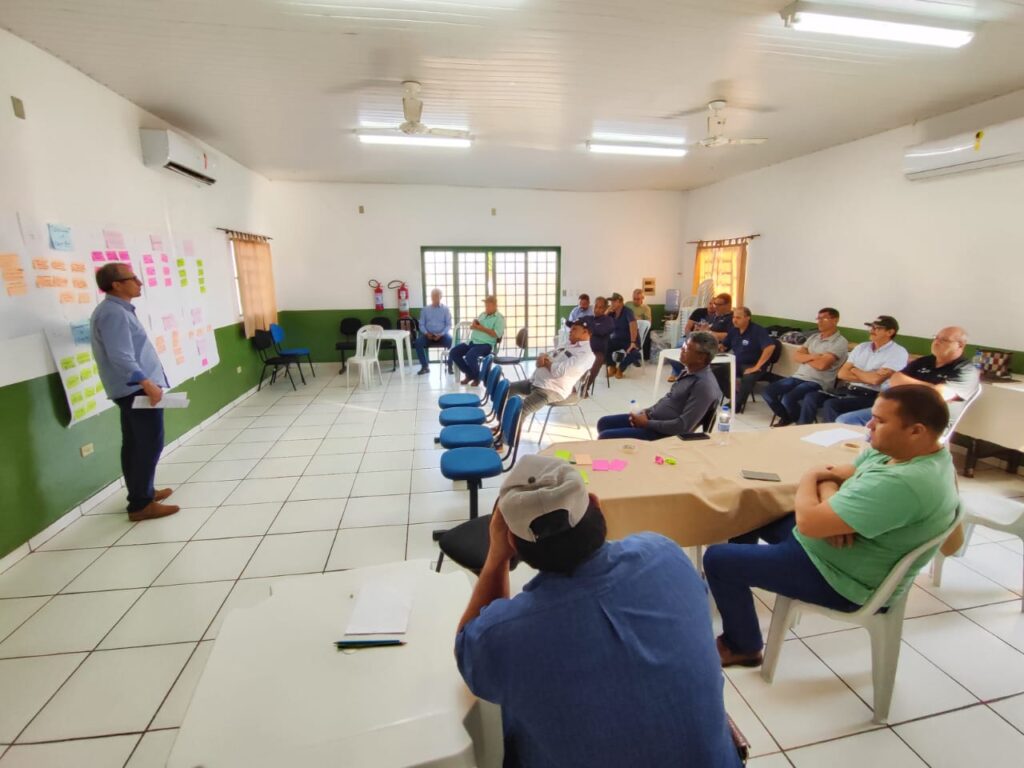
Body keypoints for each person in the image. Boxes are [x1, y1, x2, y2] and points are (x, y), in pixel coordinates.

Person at [455, 455, 742, 768]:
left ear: (512, 540)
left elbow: (469, 650)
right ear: (596, 504)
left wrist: (497, 557)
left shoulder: (502, 636)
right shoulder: (665, 553)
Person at [703, 385, 958, 668]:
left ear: (916, 431)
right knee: (751, 513)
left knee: (718, 559)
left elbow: (810, 522)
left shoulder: (906, 482)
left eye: (881, 421)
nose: (869, 425)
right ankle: (739, 586)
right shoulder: (900, 452)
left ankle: (744, 645)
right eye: (872, 417)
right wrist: (830, 499)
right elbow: (839, 474)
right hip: (832, 549)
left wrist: (811, 477)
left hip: (843, 579)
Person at [90, 263, 179, 522]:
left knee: (135, 444)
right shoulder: (113, 313)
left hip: (131, 388)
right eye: (132, 278)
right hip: (135, 389)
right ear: (116, 284)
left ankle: (143, 493)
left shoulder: (117, 310)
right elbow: (121, 355)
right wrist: (147, 383)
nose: (139, 282)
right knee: (148, 443)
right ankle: (140, 504)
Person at [836, 326, 979, 429]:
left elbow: (940, 394)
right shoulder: (924, 361)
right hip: (899, 410)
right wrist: (931, 387)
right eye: (936, 338)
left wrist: (910, 384)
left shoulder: (966, 369)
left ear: (960, 345)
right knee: (845, 420)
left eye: (944, 340)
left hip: (928, 420)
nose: (936, 342)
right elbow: (895, 380)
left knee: (880, 432)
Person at [597, 332, 721, 440]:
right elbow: (669, 399)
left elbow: (683, 426)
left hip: (663, 434)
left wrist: (647, 424)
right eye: (683, 346)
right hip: (653, 420)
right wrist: (647, 412)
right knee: (603, 423)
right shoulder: (688, 371)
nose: (681, 350)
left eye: (686, 348)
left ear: (701, 357)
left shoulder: (703, 386)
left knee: (605, 437)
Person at [802, 315, 909, 424]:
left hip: (871, 395)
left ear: (890, 332)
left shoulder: (898, 352)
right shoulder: (862, 347)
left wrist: (854, 369)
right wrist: (868, 376)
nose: (871, 331)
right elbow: (842, 374)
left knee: (831, 405)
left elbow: (875, 381)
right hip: (848, 389)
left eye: (877, 328)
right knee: (811, 397)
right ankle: (802, 430)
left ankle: (833, 437)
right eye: (871, 327)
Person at [762, 308, 849, 426]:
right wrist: (814, 356)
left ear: (835, 320)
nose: (819, 322)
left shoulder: (840, 342)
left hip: (818, 381)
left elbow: (822, 365)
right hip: (799, 376)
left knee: (788, 398)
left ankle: (799, 424)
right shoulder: (814, 337)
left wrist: (806, 358)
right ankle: (788, 417)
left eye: (824, 318)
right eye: (818, 318)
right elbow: (796, 356)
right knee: (768, 392)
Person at [508, 322, 595, 415]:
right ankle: (499, 421)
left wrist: (546, 363)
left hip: (551, 389)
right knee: (506, 390)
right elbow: (549, 355)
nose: (570, 331)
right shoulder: (568, 343)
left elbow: (559, 371)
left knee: (520, 409)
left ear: (585, 332)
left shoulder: (586, 354)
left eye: (574, 329)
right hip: (535, 382)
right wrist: (542, 358)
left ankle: (508, 429)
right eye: (571, 328)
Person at [717, 307, 778, 414]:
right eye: (734, 317)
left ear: (747, 318)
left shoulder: (758, 330)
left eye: (738, 318)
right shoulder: (734, 330)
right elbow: (724, 346)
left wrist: (757, 367)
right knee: (716, 370)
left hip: (753, 364)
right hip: (737, 363)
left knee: (748, 377)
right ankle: (734, 396)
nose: (734, 320)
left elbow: (770, 347)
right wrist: (717, 347)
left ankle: (737, 403)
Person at [669, 293, 733, 381]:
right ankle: (686, 375)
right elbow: (699, 328)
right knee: (674, 355)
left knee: (685, 354)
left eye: (719, 304)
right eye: (715, 304)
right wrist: (699, 330)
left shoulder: (732, 318)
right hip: (702, 342)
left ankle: (690, 376)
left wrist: (707, 332)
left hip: (715, 347)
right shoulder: (714, 316)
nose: (716, 307)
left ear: (728, 305)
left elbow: (729, 335)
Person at [449, 296, 505, 386]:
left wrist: (481, 328)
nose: (486, 308)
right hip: (472, 342)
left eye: (488, 306)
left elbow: (497, 334)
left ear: (494, 306)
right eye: (485, 306)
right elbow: (475, 325)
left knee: (470, 355)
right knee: (454, 352)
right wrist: (474, 323)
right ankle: (471, 374)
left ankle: (476, 378)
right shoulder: (483, 314)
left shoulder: (499, 318)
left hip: (485, 344)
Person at [414, 288, 452, 375]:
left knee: (451, 341)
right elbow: (421, 325)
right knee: (418, 342)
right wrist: (426, 333)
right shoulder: (425, 310)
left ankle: (450, 365)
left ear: (441, 297)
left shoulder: (445, 309)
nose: (435, 298)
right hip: (428, 335)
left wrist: (441, 334)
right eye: (433, 296)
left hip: (442, 335)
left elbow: (449, 325)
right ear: (431, 297)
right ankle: (425, 366)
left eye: (437, 296)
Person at [581, 296, 614, 395]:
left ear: (605, 309)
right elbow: (574, 324)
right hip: (586, 349)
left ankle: (585, 387)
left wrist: (589, 327)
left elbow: (601, 331)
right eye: (596, 307)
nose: (597, 309)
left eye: (600, 307)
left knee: (596, 360)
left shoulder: (608, 320)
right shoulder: (589, 318)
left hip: (599, 351)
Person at [605, 292, 640, 379]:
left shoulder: (627, 311)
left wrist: (633, 342)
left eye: (614, 302)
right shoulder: (612, 312)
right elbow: (601, 321)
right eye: (611, 302)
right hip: (617, 339)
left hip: (630, 340)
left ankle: (620, 369)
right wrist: (606, 312)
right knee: (604, 345)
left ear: (620, 302)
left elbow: (633, 325)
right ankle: (612, 367)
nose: (611, 304)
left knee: (635, 353)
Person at [626, 288, 654, 361]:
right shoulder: (627, 304)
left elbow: (649, 323)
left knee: (647, 333)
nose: (635, 301)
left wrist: (635, 318)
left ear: (643, 298)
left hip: (639, 329)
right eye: (634, 299)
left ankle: (640, 356)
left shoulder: (646, 308)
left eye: (638, 299)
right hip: (627, 328)